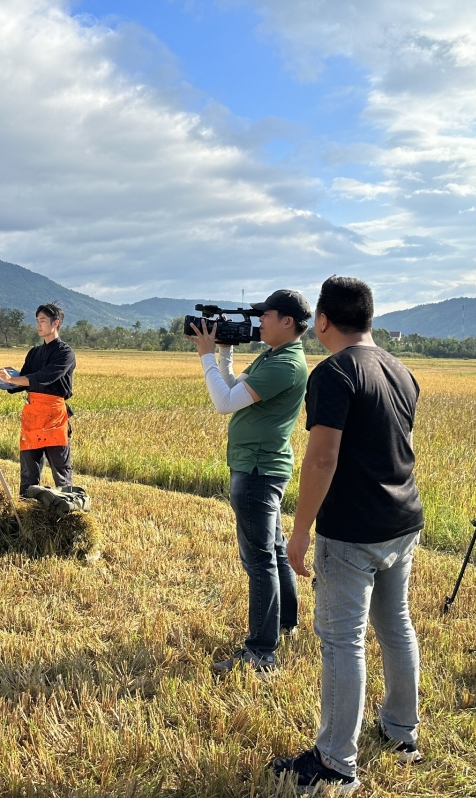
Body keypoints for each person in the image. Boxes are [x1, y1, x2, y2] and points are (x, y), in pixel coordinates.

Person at [271, 276, 424, 795]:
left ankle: (336, 762)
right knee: (396, 626)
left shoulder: (334, 373)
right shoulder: (401, 371)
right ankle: (403, 733)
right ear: (370, 318)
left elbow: (322, 456)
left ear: (322, 321)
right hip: (402, 522)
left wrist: (299, 531)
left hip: (353, 531)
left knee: (342, 643)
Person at [187, 289, 311, 675]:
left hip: (257, 470)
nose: (258, 322)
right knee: (272, 552)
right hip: (259, 466)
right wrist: (223, 352)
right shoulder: (273, 356)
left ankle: (260, 651)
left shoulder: (285, 364)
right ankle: (284, 624)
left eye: (265, 315)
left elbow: (222, 403)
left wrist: (205, 352)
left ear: (287, 321)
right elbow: (231, 390)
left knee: (257, 561)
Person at [0, 303, 76, 497]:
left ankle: (67, 512)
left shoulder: (65, 353)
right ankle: (26, 512)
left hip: (54, 417)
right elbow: (23, 381)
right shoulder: (34, 353)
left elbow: (43, 377)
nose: (38, 325)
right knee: (28, 472)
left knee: (61, 472)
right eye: (37, 321)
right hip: (32, 416)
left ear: (56, 323)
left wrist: (10, 378)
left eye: (43, 321)